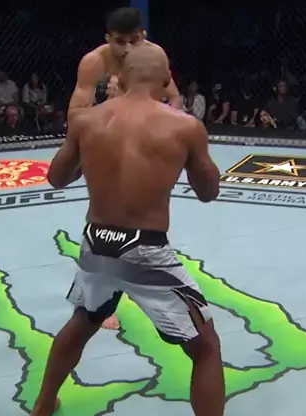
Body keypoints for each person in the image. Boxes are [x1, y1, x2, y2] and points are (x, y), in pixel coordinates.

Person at [30, 45, 241, 416]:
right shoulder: (184, 126)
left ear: (120, 78)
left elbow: (56, 177)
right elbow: (208, 192)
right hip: (145, 250)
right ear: (166, 80)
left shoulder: (87, 120)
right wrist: (189, 147)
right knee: (205, 348)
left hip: (96, 243)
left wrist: (90, 154)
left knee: (83, 320)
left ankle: (43, 406)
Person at [67, 6, 182, 330]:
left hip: (145, 137)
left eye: (135, 40)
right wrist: (113, 107)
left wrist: (150, 118)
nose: (128, 48)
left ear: (143, 35)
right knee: (107, 215)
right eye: (120, 41)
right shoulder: (95, 62)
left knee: (143, 214)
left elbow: (175, 100)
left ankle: (136, 285)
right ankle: (99, 300)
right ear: (108, 38)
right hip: (104, 137)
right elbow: (77, 113)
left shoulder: (154, 57)